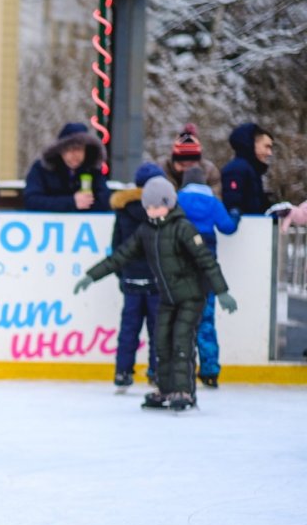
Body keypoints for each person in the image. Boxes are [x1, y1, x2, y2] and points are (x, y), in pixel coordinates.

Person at [74, 177, 236, 412]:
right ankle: (166, 389)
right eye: (147, 207)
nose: (151, 211)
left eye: (156, 206)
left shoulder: (184, 228)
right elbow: (121, 256)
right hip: (168, 297)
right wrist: (91, 275)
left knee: (181, 340)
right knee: (161, 342)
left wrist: (222, 292)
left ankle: (184, 391)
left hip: (191, 296)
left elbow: (206, 261)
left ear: (169, 203)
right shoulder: (146, 231)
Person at [178, 165, 240, 387]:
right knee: (206, 319)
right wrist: (235, 214)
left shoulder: (178, 200)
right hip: (207, 267)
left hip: (183, 266)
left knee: (181, 319)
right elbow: (227, 227)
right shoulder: (213, 202)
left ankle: (182, 368)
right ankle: (210, 370)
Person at [106, 162, 166, 391]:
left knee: (129, 328)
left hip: (131, 280)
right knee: (157, 329)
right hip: (156, 281)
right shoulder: (161, 211)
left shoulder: (123, 209)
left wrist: (123, 274)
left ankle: (122, 373)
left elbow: (117, 245)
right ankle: (157, 372)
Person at [23, 122, 110, 212]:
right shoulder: (42, 168)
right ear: (60, 150)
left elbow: (105, 200)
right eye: (69, 149)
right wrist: (71, 202)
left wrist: (84, 203)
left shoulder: (93, 169)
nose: (74, 154)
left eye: (79, 149)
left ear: (86, 150)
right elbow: (31, 201)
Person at [221, 122, 275, 215]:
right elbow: (232, 204)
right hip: (244, 228)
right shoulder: (237, 169)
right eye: (266, 147)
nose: (270, 153)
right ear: (253, 143)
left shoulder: (253, 170)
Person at [163, 124, 221, 196]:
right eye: (182, 164)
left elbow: (216, 198)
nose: (186, 169)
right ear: (174, 160)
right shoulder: (163, 171)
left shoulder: (209, 171)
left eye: (191, 164)